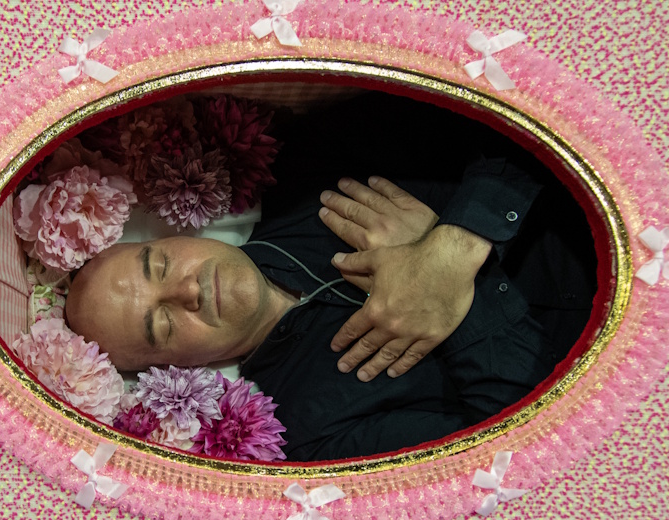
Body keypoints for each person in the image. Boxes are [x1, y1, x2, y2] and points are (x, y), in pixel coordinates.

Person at [66, 92, 597, 460]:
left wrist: (454, 244)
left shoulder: (308, 169)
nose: (188, 290)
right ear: (173, 370)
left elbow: (509, 118)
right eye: (161, 325)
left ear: (169, 238)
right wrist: (455, 287)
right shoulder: (311, 432)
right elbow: (523, 445)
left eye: (160, 266)